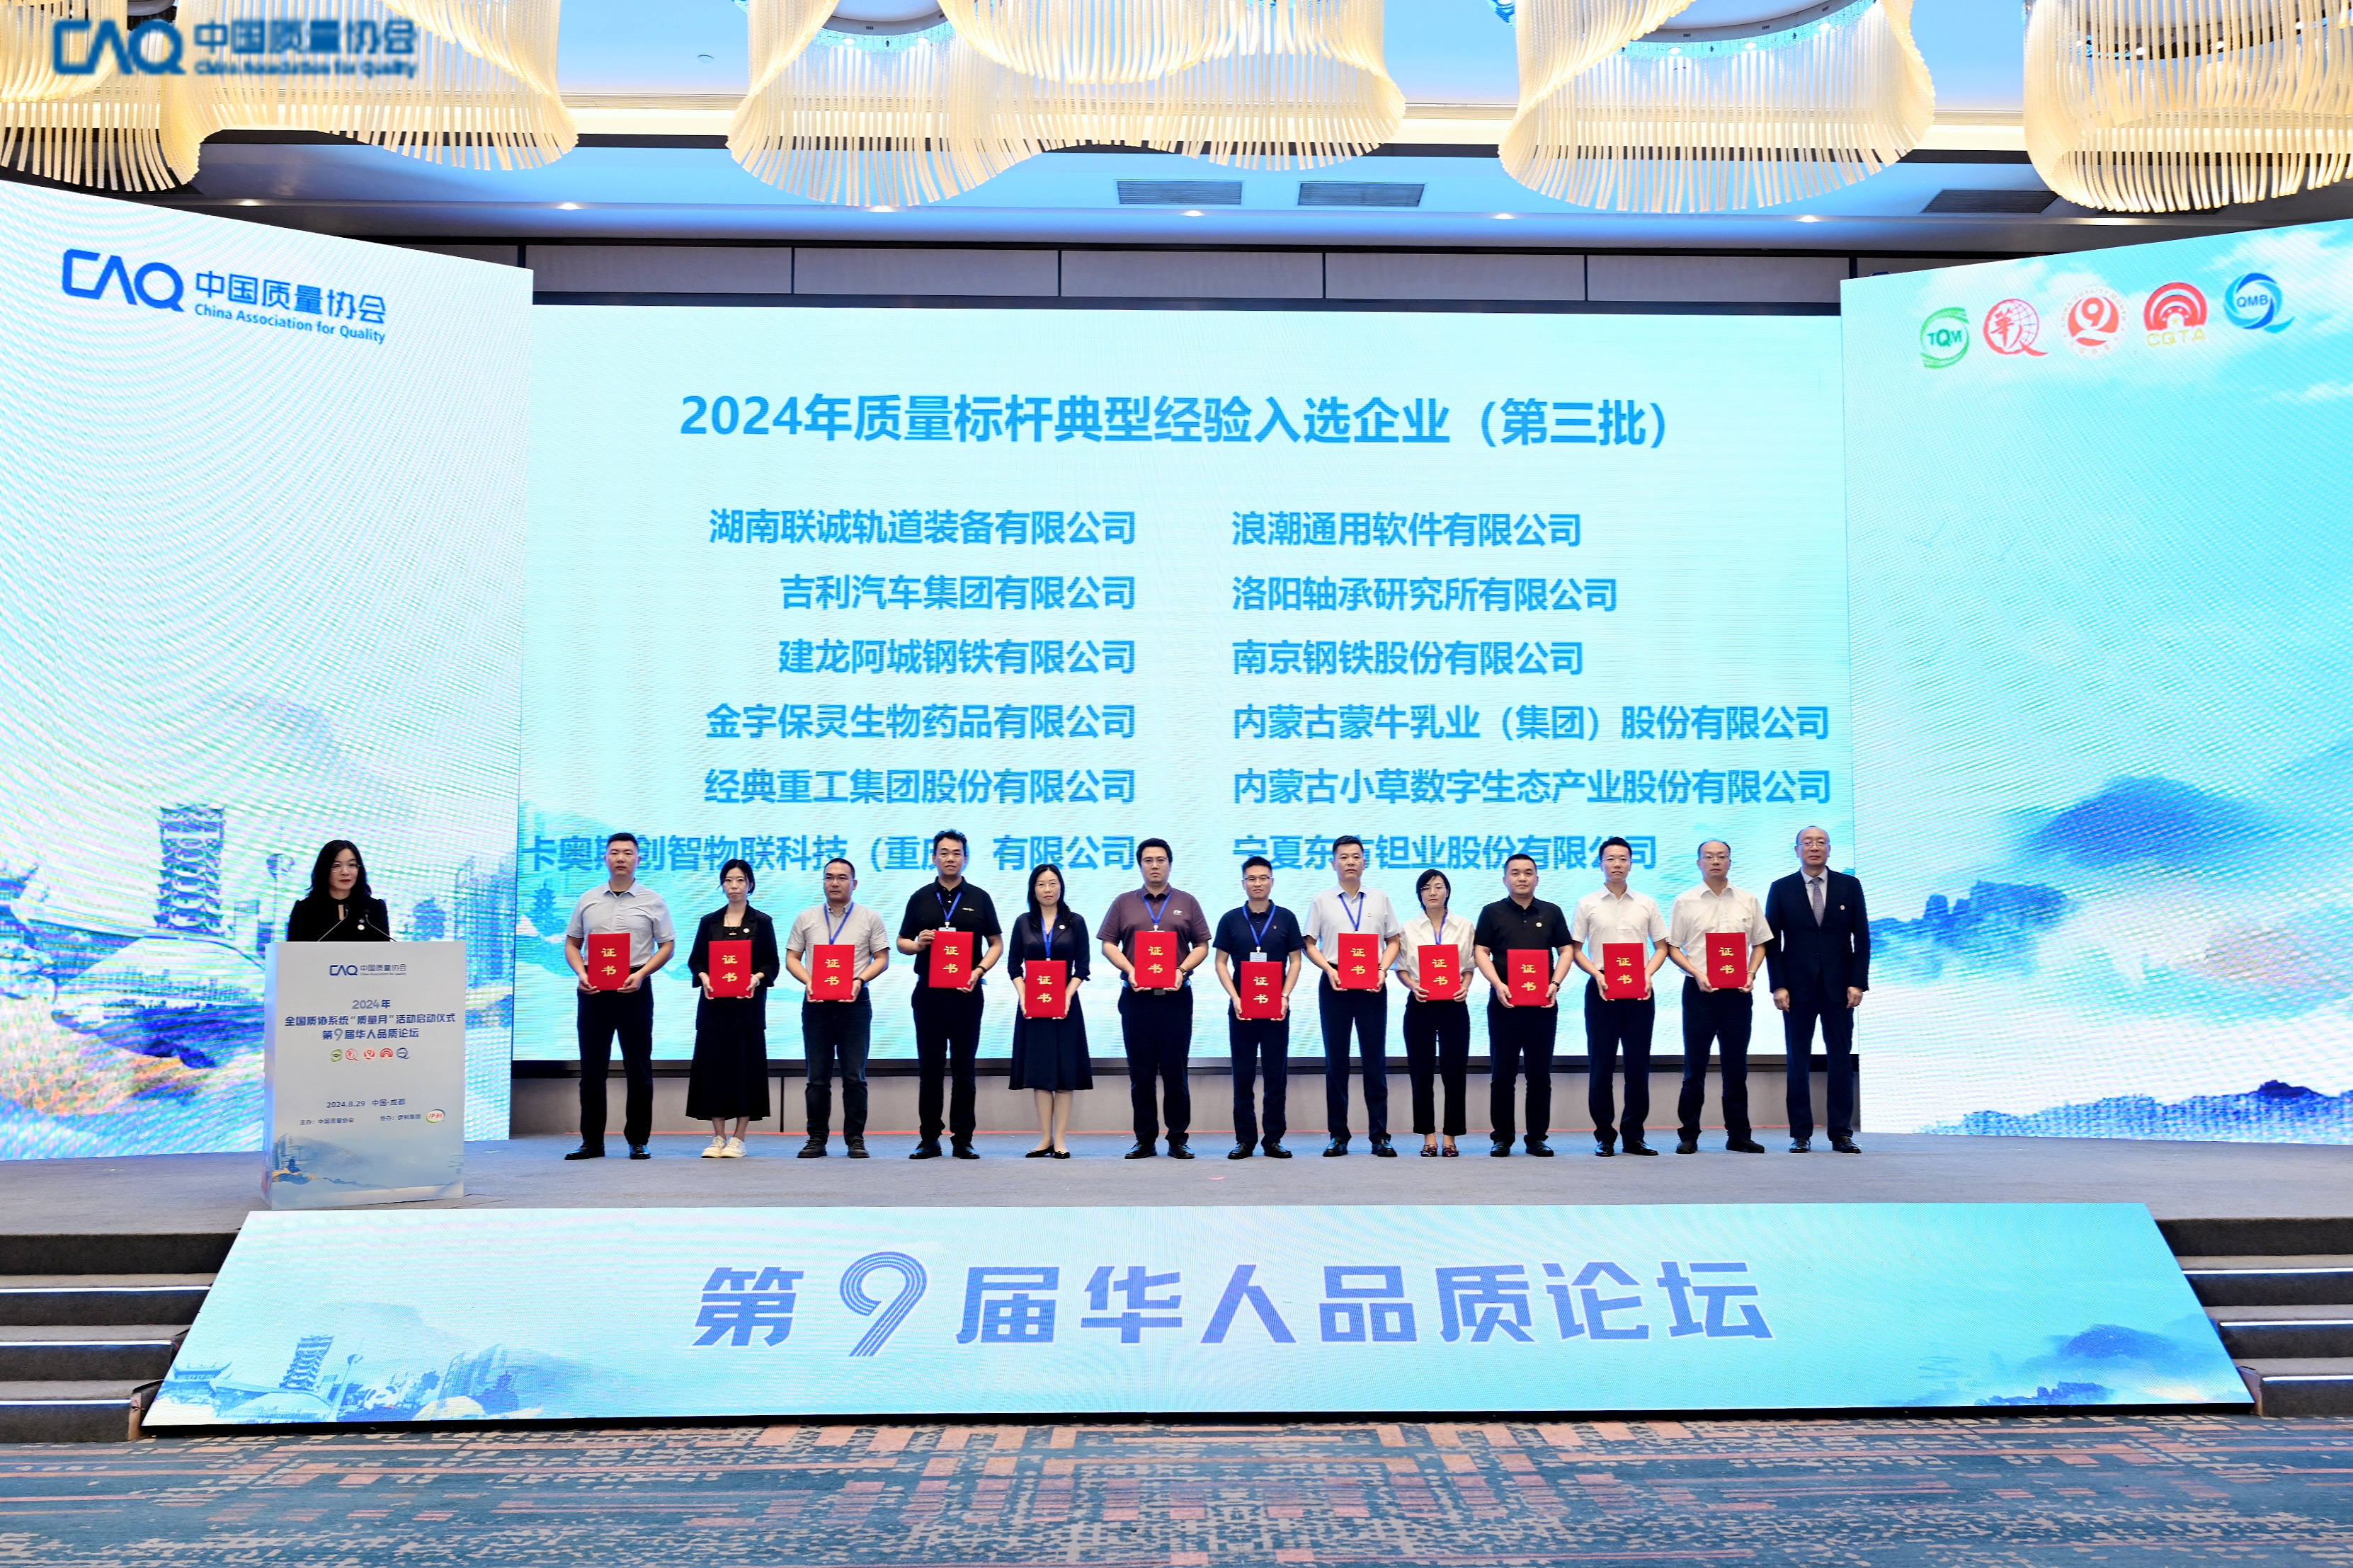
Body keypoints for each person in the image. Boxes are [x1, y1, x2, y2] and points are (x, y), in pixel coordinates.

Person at [1096, 837, 1212, 1160]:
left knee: (1176, 1072)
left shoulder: (1187, 901)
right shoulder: (1124, 903)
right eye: (1148, 860)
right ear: (1140, 865)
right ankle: (1145, 1139)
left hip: (1176, 999)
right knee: (1141, 1074)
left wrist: (1181, 970)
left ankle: (1178, 1139)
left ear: (1170, 864)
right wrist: (1130, 969)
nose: (1155, 865)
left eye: (1161, 860)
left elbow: (1202, 945)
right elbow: (1108, 944)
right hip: (1137, 999)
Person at [563, 832, 676, 1161]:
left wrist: (642, 974)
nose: (621, 858)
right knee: (592, 1069)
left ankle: (638, 1140)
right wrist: (581, 974)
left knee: (638, 1068)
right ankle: (592, 1142)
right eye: (614, 852)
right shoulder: (588, 899)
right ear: (605, 858)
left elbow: (667, 946)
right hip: (594, 989)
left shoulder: (653, 900)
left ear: (638, 859)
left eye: (628, 852)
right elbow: (572, 943)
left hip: (634, 987)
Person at [896, 830, 1004, 1160]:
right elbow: (901, 942)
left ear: (965, 859)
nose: (950, 858)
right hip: (929, 994)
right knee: (930, 1070)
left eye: (956, 853)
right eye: (943, 853)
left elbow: (996, 943)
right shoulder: (920, 898)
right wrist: (918, 945)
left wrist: (979, 971)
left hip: (966, 993)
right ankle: (929, 1138)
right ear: (933, 858)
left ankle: (963, 1139)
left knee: (964, 1069)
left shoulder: (980, 898)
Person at [1763, 825, 1871, 1154]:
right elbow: (1772, 943)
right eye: (1807, 842)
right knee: (1798, 1061)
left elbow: (1862, 937)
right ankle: (1800, 1134)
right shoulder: (1781, 888)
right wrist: (1778, 985)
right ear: (1797, 850)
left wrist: (1858, 982)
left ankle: (1841, 1133)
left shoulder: (1849, 885)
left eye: (1820, 842)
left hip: (1840, 987)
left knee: (1840, 1060)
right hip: (1796, 989)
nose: (1814, 847)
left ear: (1829, 849)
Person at [1664, 840, 1773, 1155]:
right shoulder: (1685, 901)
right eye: (1709, 857)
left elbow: (1761, 942)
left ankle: (1739, 1135)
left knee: (1736, 1068)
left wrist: (1751, 973)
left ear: (1730, 862)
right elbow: (1673, 947)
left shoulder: (1747, 900)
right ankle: (1689, 1135)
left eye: (1721, 856)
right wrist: (1697, 973)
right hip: (1699, 993)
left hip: (1737, 993)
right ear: (1699, 863)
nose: (1715, 861)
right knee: (1694, 1068)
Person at [782, 857, 891, 1158]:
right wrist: (809, 982)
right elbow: (792, 958)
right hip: (816, 1004)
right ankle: (816, 1139)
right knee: (817, 1077)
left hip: (855, 1004)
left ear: (854, 884)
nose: (835, 883)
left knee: (854, 1076)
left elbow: (882, 958)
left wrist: (859, 980)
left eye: (842, 878)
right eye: (829, 877)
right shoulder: (806, 918)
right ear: (823, 882)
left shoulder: (870, 917)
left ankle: (855, 1139)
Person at [1302, 835, 1403, 1157]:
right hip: (1335, 983)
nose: (1350, 861)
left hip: (1372, 983)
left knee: (1375, 1060)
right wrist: (1328, 970)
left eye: (1356, 856)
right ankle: (1338, 1135)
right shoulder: (1322, 900)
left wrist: (1383, 970)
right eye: (1343, 857)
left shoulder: (1380, 899)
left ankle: (1380, 1136)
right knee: (1337, 1062)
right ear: (1333, 863)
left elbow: (1394, 941)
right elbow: (1309, 944)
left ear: (1365, 862)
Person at [1568, 837, 1668, 1157]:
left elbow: (1662, 946)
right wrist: (1597, 975)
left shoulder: (1646, 903)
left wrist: (1647, 974)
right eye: (1610, 859)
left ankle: (1634, 1136)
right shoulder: (1587, 903)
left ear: (1631, 864)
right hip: (1602, 990)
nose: (1617, 864)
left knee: (1638, 1067)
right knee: (1601, 1066)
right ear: (1601, 864)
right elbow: (1575, 949)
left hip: (1639, 991)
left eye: (1623, 859)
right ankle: (1605, 1136)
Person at [1471, 853, 1573, 1157]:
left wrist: (1555, 984)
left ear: (1537, 879)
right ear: (1505, 879)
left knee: (1539, 1075)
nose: (1522, 878)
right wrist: (1497, 984)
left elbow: (1566, 950)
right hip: (1505, 1004)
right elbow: (1481, 951)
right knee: (1502, 1074)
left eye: (1528, 872)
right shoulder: (1492, 912)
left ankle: (1537, 1138)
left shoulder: (1552, 912)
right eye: (1515, 873)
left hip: (1542, 1005)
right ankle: (1502, 1137)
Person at [685, 859, 780, 1160]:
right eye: (728, 880)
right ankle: (718, 1137)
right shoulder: (709, 922)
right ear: (722, 885)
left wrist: (756, 978)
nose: (734, 886)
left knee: (744, 1071)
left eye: (740, 880)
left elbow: (772, 963)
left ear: (750, 884)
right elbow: (695, 960)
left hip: (747, 1010)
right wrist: (703, 976)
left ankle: (739, 1138)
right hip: (714, 1009)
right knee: (714, 1070)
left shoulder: (762, 922)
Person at [1211, 855, 1305, 1160]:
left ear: (1272, 882)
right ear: (1243, 883)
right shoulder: (1230, 919)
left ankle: (1273, 1140)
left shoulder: (1287, 918)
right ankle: (1245, 1140)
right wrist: (1235, 997)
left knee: (1276, 1077)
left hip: (1276, 1009)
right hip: (1242, 1010)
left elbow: (1296, 961)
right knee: (1243, 1077)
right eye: (1251, 878)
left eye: (1263, 878)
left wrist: (1285, 995)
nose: (1258, 883)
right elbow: (1220, 962)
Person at [1008, 862, 1092, 1158]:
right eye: (1041, 884)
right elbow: (1014, 965)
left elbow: (1082, 967)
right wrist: (1023, 996)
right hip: (1033, 1007)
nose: (1048, 889)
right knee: (1041, 1073)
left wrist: (1067, 996)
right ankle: (1045, 1138)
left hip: (1066, 1006)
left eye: (1053, 883)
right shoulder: (1023, 922)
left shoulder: (1075, 921)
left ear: (1061, 887)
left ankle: (1061, 1141)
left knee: (1065, 1075)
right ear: (1033, 889)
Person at [1396, 868, 1475, 1157]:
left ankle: (1450, 1137)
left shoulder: (1464, 926)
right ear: (1419, 894)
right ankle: (1428, 1137)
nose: (1432, 892)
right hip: (1421, 1004)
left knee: (1455, 1072)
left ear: (1447, 891)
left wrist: (1465, 987)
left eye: (1438, 886)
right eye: (1426, 887)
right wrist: (1413, 986)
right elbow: (1401, 969)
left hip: (1454, 1004)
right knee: (1421, 1072)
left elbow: (1469, 967)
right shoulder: (1407, 929)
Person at [285, 840, 392, 942]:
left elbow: (385, 951)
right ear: (324, 869)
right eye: (336, 866)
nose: (345, 872)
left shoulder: (374, 909)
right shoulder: (305, 910)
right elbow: (294, 952)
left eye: (352, 865)